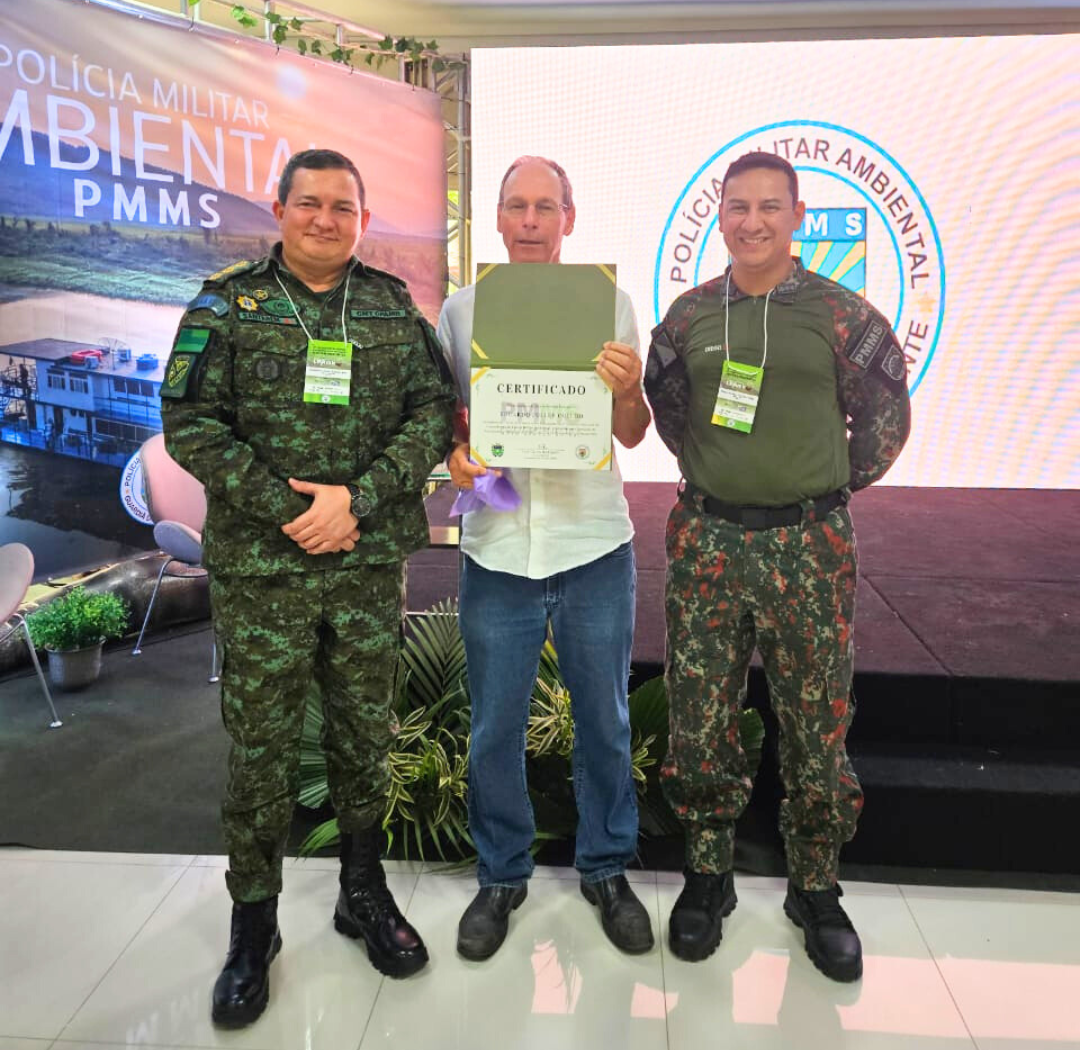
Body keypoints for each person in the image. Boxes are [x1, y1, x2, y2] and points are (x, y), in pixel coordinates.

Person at [160, 149, 455, 1026]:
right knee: (261, 751)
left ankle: (360, 894)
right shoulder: (226, 303)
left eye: (344, 206)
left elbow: (433, 416)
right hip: (266, 569)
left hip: (364, 562)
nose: (327, 219)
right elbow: (188, 423)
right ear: (280, 208)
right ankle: (254, 927)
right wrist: (293, 508)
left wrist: (354, 503)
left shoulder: (392, 307)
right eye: (310, 203)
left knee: (367, 734)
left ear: (363, 218)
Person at [644, 151, 911, 982]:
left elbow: (884, 417)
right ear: (719, 216)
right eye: (737, 207)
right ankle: (709, 874)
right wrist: (730, 474)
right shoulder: (689, 316)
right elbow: (669, 410)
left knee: (815, 716)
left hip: (809, 545)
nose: (751, 221)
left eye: (769, 207)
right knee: (700, 715)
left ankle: (816, 888)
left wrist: (817, 485)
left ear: (797, 218)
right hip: (710, 542)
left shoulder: (840, 314)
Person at [436, 156, 655, 960]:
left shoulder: (612, 306)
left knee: (605, 719)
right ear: (495, 218)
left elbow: (630, 431)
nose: (530, 221)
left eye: (545, 207)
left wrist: (628, 389)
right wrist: (455, 458)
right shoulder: (460, 313)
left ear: (570, 217)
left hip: (593, 542)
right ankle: (501, 875)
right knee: (495, 726)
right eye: (516, 206)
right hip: (497, 550)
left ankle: (604, 866)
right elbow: (444, 426)